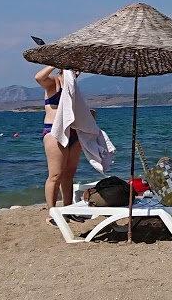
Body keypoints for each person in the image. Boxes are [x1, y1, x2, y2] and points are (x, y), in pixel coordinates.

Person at [34, 65, 115, 216]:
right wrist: (55, 63)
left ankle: (68, 210)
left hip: (74, 134)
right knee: (55, 175)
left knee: (69, 175)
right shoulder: (54, 82)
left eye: (78, 70)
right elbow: (39, 77)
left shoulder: (73, 89)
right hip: (54, 132)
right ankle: (52, 214)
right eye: (73, 69)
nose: (77, 72)